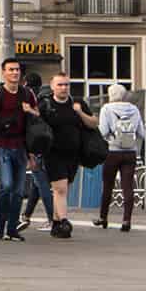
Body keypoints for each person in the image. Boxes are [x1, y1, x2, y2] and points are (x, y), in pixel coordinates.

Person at [0, 57, 38, 243]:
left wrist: (29, 110)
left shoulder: (28, 94)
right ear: (4, 72)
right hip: (3, 147)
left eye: (17, 69)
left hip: (21, 148)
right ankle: (1, 224)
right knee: (6, 186)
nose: (15, 73)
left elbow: (37, 119)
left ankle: (12, 228)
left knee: (18, 190)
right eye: (11, 70)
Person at [38, 73, 95, 239]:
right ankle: (64, 221)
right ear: (52, 86)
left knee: (63, 189)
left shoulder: (77, 103)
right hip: (53, 153)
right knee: (60, 188)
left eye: (66, 85)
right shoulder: (46, 104)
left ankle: (55, 224)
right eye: (60, 85)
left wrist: (80, 113)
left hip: (73, 154)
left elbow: (93, 122)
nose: (64, 88)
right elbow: (35, 126)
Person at [94, 84, 145, 233]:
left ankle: (103, 218)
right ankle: (126, 220)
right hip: (130, 153)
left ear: (110, 94)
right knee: (128, 186)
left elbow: (103, 131)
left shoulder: (106, 109)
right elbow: (141, 132)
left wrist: (108, 138)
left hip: (112, 151)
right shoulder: (134, 109)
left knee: (108, 185)